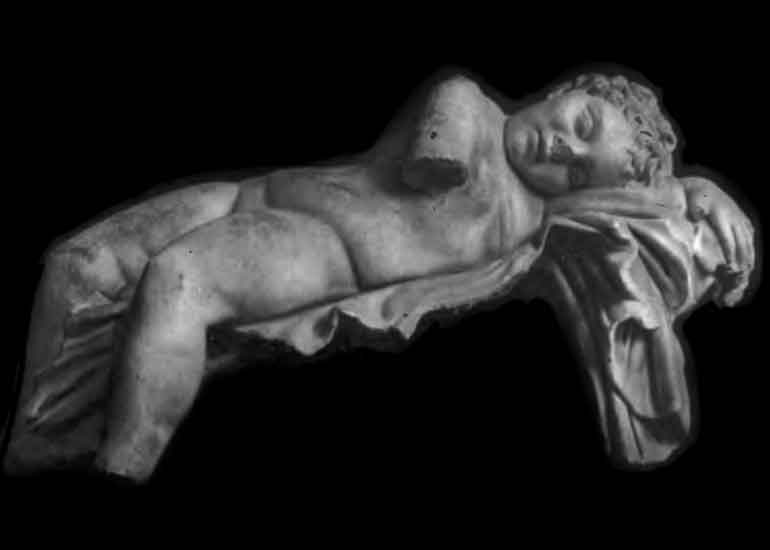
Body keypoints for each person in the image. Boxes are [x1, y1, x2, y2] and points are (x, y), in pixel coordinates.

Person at [7, 71, 755, 480]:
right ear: (572, 88)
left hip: (319, 246)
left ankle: (122, 469)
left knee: (179, 280)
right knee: (78, 265)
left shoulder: (534, 224)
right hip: (254, 191)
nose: (563, 147)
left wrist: (696, 192)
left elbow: (638, 216)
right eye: (582, 122)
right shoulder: (469, 102)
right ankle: (36, 446)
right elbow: (437, 152)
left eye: (579, 170)